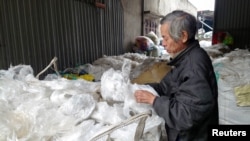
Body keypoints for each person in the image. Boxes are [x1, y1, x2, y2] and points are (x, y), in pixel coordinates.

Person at [134, 10, 218, 141]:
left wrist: (154, 101)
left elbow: (187, 115)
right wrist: (142, 88)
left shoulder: (194, 65)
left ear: (183, 36)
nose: (163, 43)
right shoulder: (185, 58)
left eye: (166, 38)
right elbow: (168, 85)